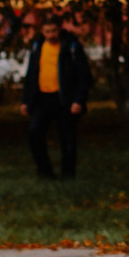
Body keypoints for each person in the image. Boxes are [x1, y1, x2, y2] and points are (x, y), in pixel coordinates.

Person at [22, 13, 91, 179]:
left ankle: (68, 175)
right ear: (42, 31)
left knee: (67, 138)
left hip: (64, 99)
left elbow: (84, 75)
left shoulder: (71, 46)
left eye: (54, 31)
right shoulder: (37, 46)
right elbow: (31, 74)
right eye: (47, 31)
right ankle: (44, 172)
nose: (51, 35)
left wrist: (78, 100)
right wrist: (26, 101)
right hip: (43, 99)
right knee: (34, 132)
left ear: (59, 29)